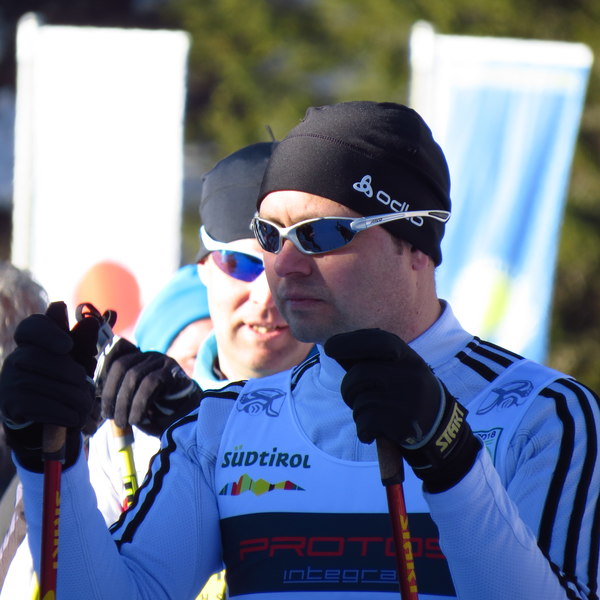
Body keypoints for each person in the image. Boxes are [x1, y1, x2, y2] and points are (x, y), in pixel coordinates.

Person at [0, 102, 598, 600]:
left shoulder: (544, 415)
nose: (283, 265)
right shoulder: (223, 422)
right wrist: (52, 459)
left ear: (416, 246)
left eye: (320, 234)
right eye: (269, 235)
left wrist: (453, 460)